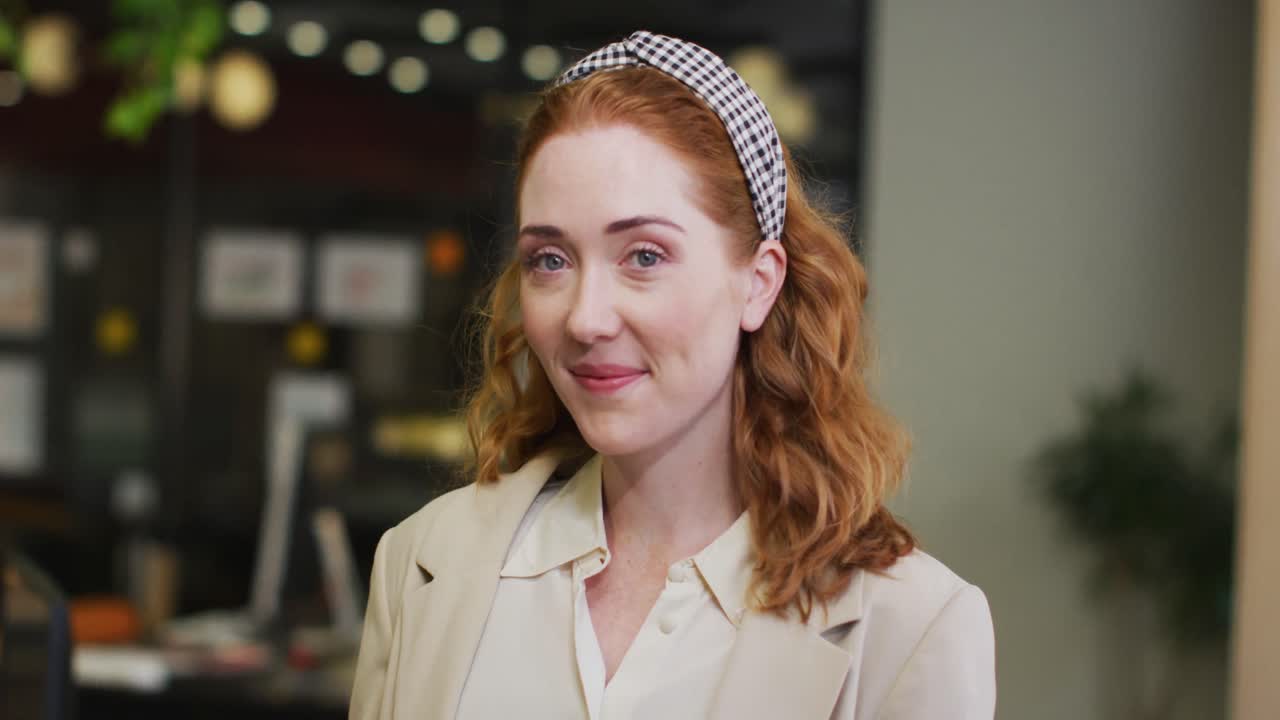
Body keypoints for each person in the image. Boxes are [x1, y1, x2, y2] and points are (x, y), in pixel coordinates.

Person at [349, 31, 995, 720]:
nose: (586, 319)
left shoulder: (909, 628)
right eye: (550, 260)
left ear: (758, 283)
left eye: (645, 256)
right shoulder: (420, 562)